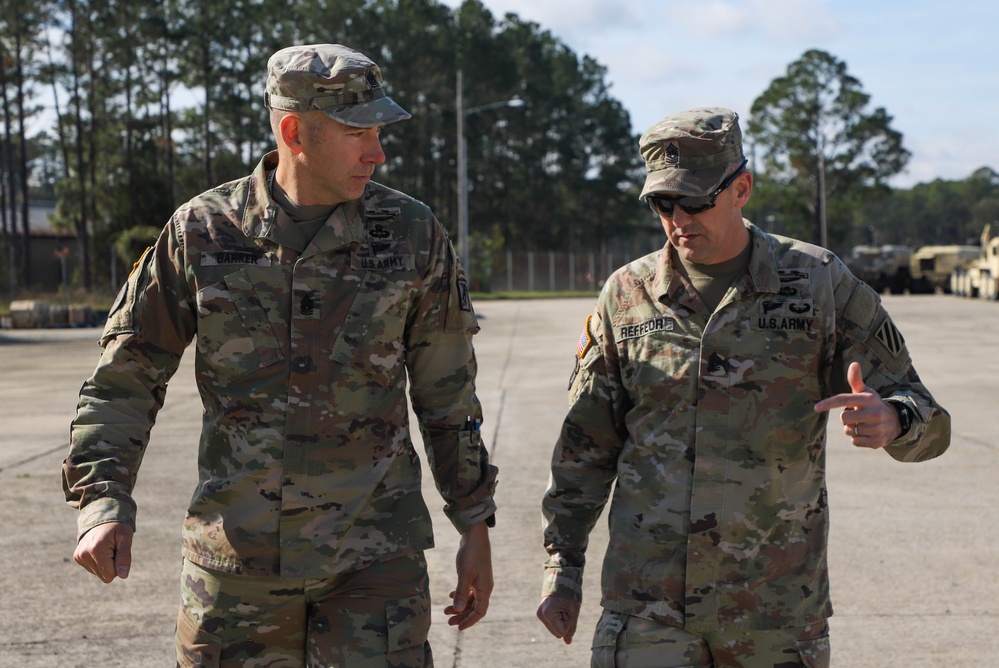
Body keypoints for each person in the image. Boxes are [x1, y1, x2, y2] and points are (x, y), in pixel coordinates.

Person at [63, 43, 497, 667]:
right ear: (295, 131)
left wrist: (474, 522)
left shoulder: (412, 235)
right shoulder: (202, 233)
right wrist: (103, 500)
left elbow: (447, 392)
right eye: (358, 133)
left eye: (379, 132)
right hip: (236, 567)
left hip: (373, 562)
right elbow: (124, 378)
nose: (377, 152)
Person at [535, 107, 950, 667]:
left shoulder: (818, 283)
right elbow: (585, 448)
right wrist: (562, 571)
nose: (679, 218)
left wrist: (894, 421)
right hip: (648, 610)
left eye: (696, 200)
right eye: (663, 203)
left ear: (742, 189)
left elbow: (926, 413)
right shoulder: (626, 295)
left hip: (773, 614)